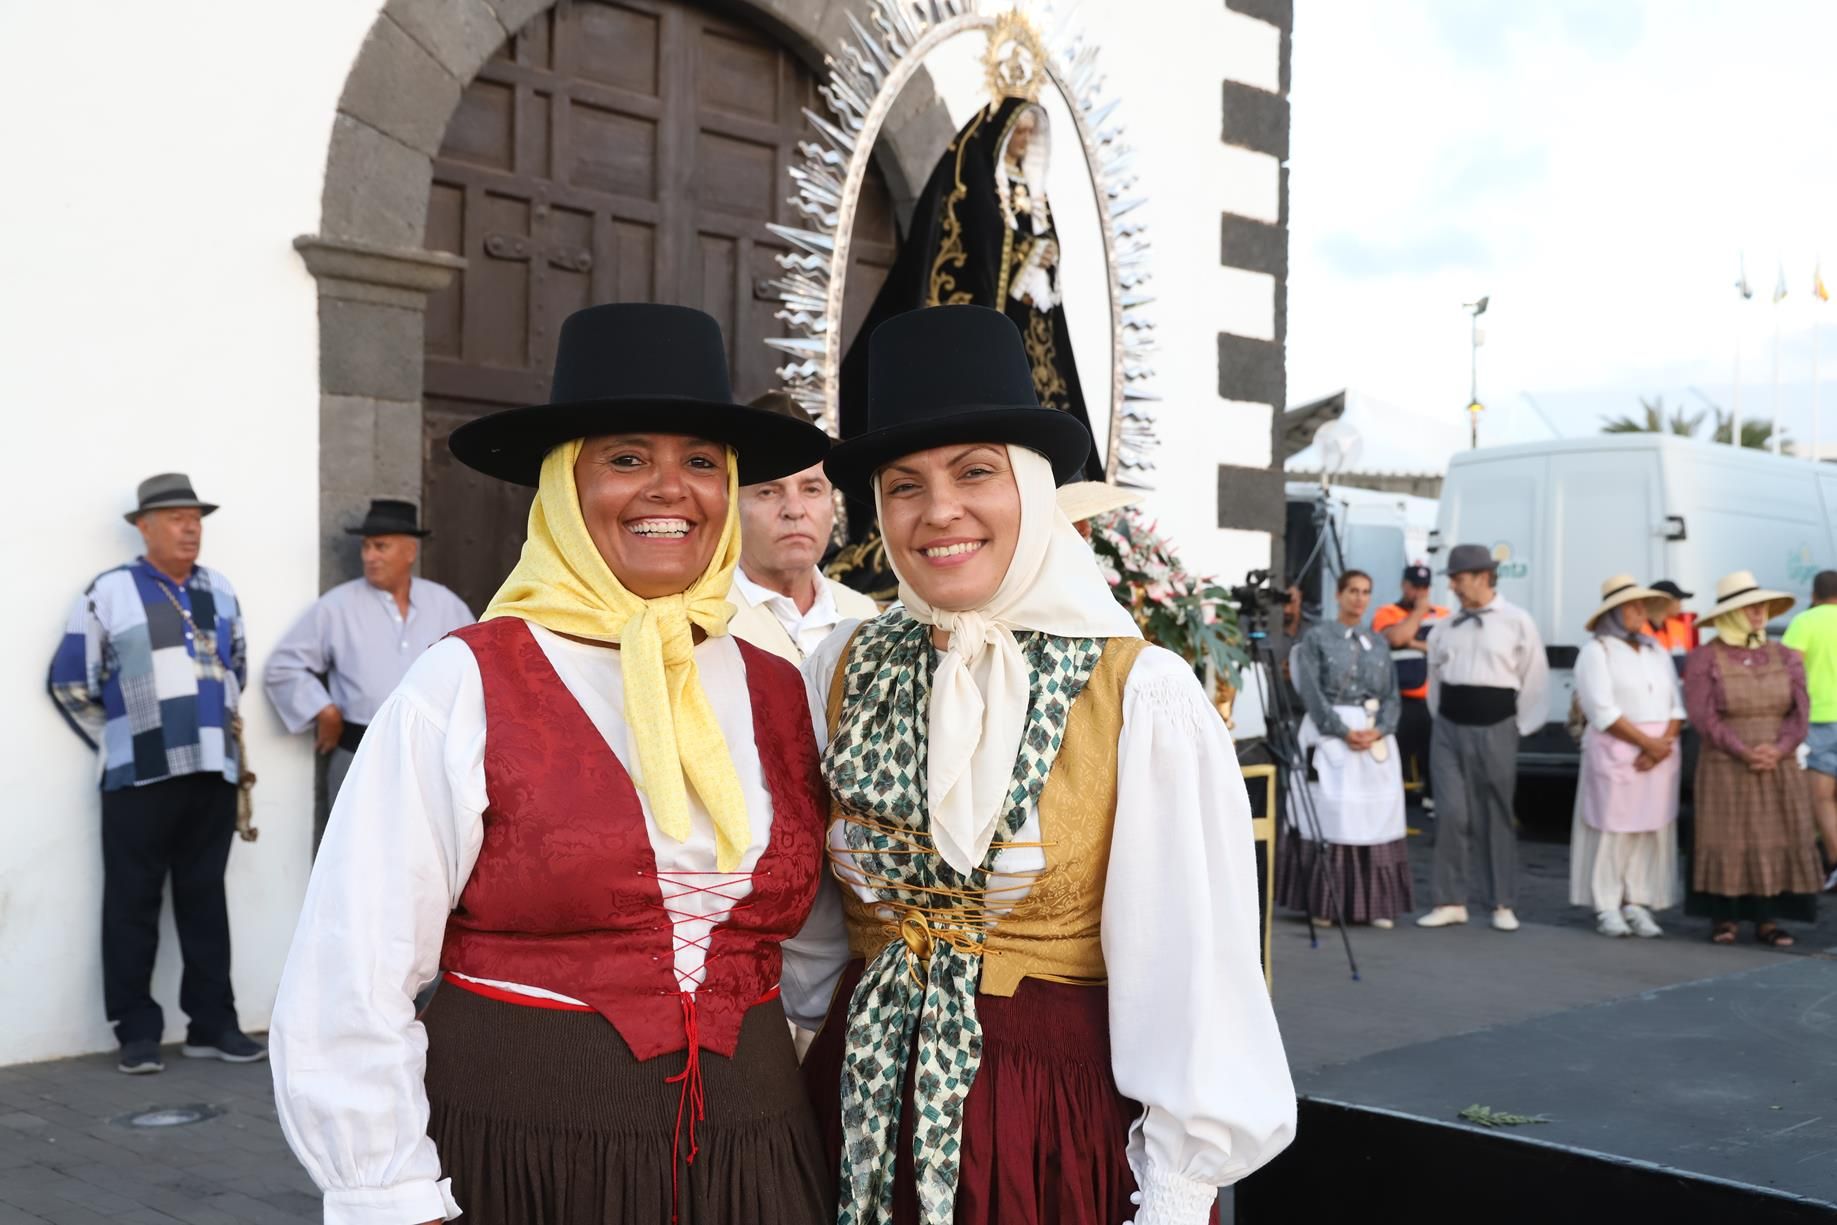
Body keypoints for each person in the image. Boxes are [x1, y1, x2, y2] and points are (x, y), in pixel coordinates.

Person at [269, 304, 845, 1225]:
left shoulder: (780, 685)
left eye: (701, 461)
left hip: (755, 1154)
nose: (671, 489)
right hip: (522, 1152)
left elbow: (816, 947)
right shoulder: (467, 679)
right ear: (563, 489)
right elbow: (353, 962)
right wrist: (389, 1191)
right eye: (626, 458)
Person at [799, 306, 1294, 1225]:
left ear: (1032, 488)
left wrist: (1179, 1190)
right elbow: (818, 933)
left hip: (1043, 1125)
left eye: (974, 472)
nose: (938, 510)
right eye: (904, 485)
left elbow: (1193, 971)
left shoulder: (1138, 690)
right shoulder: (842, 667)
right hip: (852, 1102)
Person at [47, 473, 265, 1075]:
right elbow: (69, 680)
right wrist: (125, 737)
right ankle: (136, 1032)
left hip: (211, 771)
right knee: (131, 904)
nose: (189, 527)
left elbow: (236, 669)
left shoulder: (219, 590)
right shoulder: (110, 591)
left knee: (205, 902)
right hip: (138, 778)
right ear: (143, 527)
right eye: (174, 517)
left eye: (195, 517)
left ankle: (212, 1024)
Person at [263, 499, 473, 850]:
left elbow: (476, 671)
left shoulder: (446, 605)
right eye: (365, 546)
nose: (369, 556)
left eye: (381, 546)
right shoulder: (337, 606)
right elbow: (283, 666)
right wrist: (323, 709)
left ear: (409, 551)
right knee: (353, 856)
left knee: (426, 859)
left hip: (431, 759)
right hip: (357, 755)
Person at [1684, 570, 1822, 946]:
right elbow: (1702, 715)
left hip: (1776, 760)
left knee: (1771, 836)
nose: (1758, 613)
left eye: (1760, 606)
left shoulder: (1783, 655)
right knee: (1728, 837)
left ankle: (1767, 918)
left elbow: (1800, 709)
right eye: (1749, 608)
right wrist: (1743, 750)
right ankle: (1724, 917)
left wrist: (1780, 748)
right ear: (1731, 613)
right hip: (1726, 762)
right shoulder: (1705, 658)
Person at [1416, 543, 1549, 932]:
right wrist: (1442, 719)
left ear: (1482, 577)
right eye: (1453, 579)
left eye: (1459, 579)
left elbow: (1534, 678)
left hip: (1497, 724)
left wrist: (1517, 727)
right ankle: (1450, 899)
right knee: (1450, 813)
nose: (1454, 586)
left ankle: (1501, 902)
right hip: (1448, 725)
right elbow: (1435, 679)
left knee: (1496, 814)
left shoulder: (1517, 621)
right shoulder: (1444, 627)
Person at [1278, 570, 1411, 929]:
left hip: (1373, 739)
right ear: (1339, 595)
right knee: (1332, 815)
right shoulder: (1317, 637)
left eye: (1366, 592)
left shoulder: (1379, 642)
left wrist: (1380, 729)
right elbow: (1312, 692)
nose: (1359, 598)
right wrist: (1340, 730)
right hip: (1332, 735)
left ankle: (1376, 904)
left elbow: (1391, 697)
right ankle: (1326, 902)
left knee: (1376, 815)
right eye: (1352, 591)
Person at [1568, 576, 1683, 938]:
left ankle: (1637, 900)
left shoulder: (1655, 650)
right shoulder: (1596, 651)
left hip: (1658, 752)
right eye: (1632, 606)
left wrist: (1662, 744)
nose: (1640, 612)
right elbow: (1601, 709)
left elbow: (1675, 705)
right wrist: (1647, 746)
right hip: (1619, 748)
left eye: (1642, 605)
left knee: (1647, 830)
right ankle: (1607, 904)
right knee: (1612, 830)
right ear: (1614, 611)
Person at [727, 391, 878, 664]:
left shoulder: (864, 615)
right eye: (769, 492)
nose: (794, 510)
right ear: (731, 507)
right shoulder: (709, 621)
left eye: (811, 489)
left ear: (832, 504)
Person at [1372, 563, 1451, 809]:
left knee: (1435, 761)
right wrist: (1418, 614)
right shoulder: (1388, 613)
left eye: (1424, 588)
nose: (1419, 593)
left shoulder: (1443, 614)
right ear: (1404, 585)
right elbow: (1395, 638)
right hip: (1401, 700)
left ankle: (1432, 807)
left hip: (1433, 700)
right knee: (1395, 760)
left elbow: (1448, 650)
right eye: (1414, 587)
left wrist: (1412, 643)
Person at [1781, 568, 1837, 891]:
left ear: (1814, 596)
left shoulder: (1805, 622)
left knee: (1822, 798)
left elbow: (1790, 668)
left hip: (1818, 718)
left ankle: (1833, 861)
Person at [1647, 579, 1697, 672]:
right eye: (1678, 600)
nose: (1681, 605)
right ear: (1662, 601)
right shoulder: (1637, 630)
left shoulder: (1680, 628)